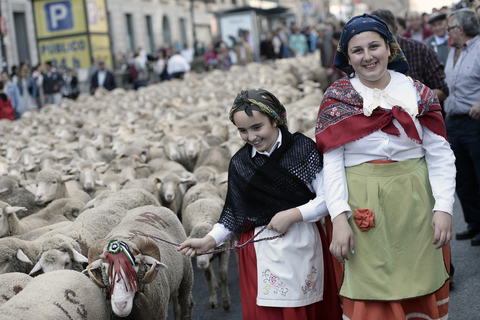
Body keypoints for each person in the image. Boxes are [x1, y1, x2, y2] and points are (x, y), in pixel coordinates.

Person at [316, 14, 455, 320]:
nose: (367, 56)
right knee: (369, 289)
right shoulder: (337, 99)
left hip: (415, 202)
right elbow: (332, 162)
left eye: (374, 46)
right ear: (347, 57)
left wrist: (443, 207)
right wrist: (339, 217)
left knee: (419, 281)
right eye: (357, 50)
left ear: (390, 48)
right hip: (360, 201)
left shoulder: (418, 93)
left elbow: (440, 153)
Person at [178, 89, 342, 320]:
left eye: (257, 127)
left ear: (275, 119)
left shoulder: (302, 149)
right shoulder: (240, 164)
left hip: (302, 243)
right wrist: (209, 240)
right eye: (242, 131)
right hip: (259, 253)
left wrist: (293, 214)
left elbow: (328, 198)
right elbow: (234, 214)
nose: (251, 136)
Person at [443, 9, 480, 245]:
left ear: (460, 30)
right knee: (463, 178)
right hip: (453, 122)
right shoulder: (453, 51)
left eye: (449, 28)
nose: (447, 33)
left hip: (474, 123)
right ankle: (474, 224)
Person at [372, 9, 449, 103]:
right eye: (375, 44)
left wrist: (414, 102)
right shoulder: (365, 60)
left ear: (396, 29)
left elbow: (442, 90)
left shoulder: (421, 51)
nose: (384, 47)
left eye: (387, 39)